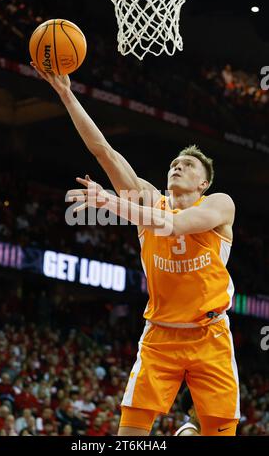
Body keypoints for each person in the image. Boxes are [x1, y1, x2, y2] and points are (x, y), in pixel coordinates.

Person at [31, 64, 240, 436]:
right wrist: (65, 93)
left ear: (203, 181)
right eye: (174, 163)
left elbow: (175, 225)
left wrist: (110, 202)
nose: (177, 166)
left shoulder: (219, 205)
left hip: (210, 335)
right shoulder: (148, 201)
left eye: (187, 165)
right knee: (130, 438)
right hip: (160, 335)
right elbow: (104, 152)